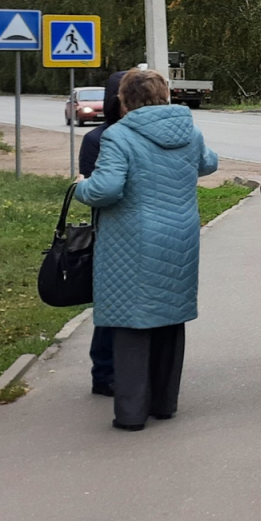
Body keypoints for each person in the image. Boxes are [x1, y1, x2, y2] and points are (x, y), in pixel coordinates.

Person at [71, 68, 218, 431]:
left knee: (131, 322)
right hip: (180, 236)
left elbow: (106, 190)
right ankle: (165, 403)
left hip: (132, 239)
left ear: (125, 100)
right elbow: (208, 163)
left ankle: (132, 414)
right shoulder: (190, 130)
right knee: (170, 317)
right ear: (164, 95)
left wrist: (80, 186)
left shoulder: (119, 135)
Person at [76, 67, 129, 397]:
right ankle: (104, 371)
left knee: (122, 304)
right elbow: (96, 188)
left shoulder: (137, 136)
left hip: (131, 232)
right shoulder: (98, 139)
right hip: (110, 232)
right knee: (111, 305)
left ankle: (119, 368)